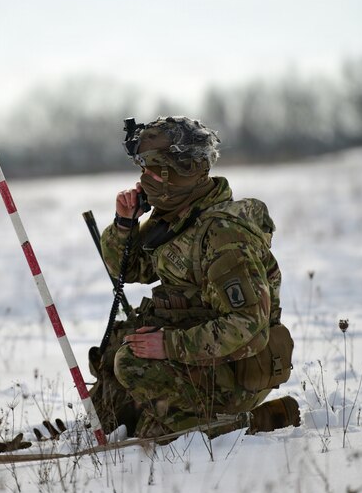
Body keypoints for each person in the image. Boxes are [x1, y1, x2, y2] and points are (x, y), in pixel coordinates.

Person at [88, 115, 300, 440]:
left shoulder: (222, 235)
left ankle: (251, 420)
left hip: (237, 370)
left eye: (153, 170)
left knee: (134, 370)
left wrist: (169, 345)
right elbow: (130, 270)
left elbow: (247, 325)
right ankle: (177, 420)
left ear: (180, 172)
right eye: (143, 170)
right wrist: (123, 225)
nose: (143, 181)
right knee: (112, 404)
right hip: (206, 360)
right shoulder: (177, 219)